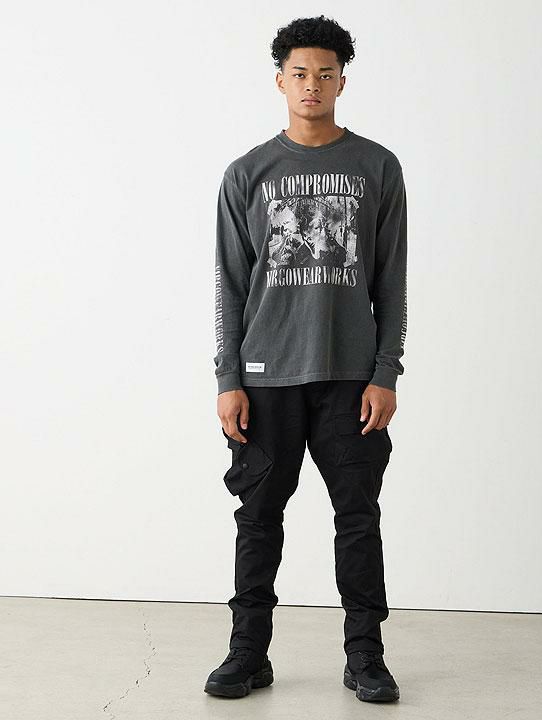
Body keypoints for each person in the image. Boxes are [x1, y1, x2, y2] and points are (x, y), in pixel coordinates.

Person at [204, 14, 407, 704]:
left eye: (325, 73)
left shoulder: (377, 167)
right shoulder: (247, 173)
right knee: (258, 518)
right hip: (266, 377)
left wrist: (386, 371)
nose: (312, 85)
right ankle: (246, 653)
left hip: (352, 378)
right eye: (299, 74)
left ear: (342, 81)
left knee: (358, 517)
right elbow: (231, 285)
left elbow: (391, 279)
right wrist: (229, 378)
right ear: (280, 82)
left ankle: (366, 656)